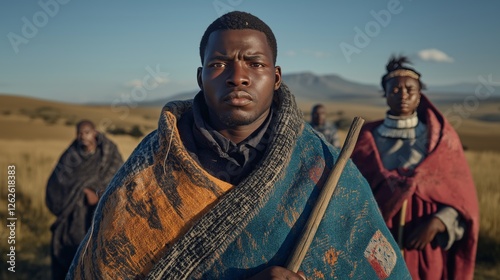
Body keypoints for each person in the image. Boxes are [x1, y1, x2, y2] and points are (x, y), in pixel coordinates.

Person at [67, 12, 410, 280]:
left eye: (255, 63)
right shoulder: (148, 168)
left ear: (275, 78)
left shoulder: (328, 172)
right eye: (219, 64)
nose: (238, 76)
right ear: (200, 77)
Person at [351, 56, 479, 279]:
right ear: (385, 95)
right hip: (376, 241)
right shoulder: (366, 138)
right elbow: (351, 190)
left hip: (423, 247)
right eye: (395, 90)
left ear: (420, 96)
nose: (403, 95)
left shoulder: (439, 139)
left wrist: (438, 223)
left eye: (410, 90)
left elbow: (461, 195)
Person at [46, 120, 123, 280]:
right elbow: (57, 182)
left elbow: (117, 178)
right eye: (79, 133)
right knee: (70, 253)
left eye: (86, 132)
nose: (83, 137)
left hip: (100, 215)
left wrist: (98, 192)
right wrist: (84, 190)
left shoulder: (108, 153)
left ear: (94, 133)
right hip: (73, 216)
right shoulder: (71, 155)